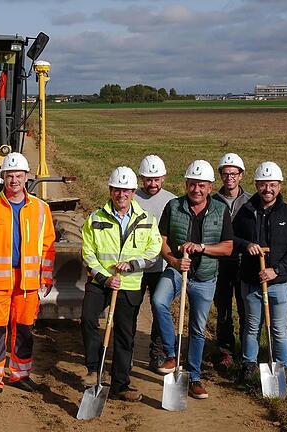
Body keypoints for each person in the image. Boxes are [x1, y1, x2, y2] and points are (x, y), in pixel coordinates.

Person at [0, 152, 56, 401]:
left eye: (19, 175)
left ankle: (20, 374)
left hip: (27, 282)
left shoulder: (40, 208)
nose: (14, 180)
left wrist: (46, 278)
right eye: (9, 175)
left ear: (27, 177)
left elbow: (48, 247)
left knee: (24, 330)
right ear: (2, 177)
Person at [152, 160, 234, 400]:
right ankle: (171, 354)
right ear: (186, 185)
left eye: (201, 185)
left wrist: (202, 247)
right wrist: (174, 262)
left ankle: (195, 377)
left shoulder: (220, 210)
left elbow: (228, 248)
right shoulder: (174, 206)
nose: (196, 189)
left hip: (205, 277)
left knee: (197, 329)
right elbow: (162, 241)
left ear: (210, 187)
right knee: (158, 301)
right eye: (192, 184)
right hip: (178, 270)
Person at [80, 166, 162, 402]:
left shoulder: (146, 219)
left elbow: (153, 250)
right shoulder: (96, 218)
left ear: (134, 192)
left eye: (126, 190)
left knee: (125, 336)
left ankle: (120, 385)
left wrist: (133, 265)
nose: (121, 195)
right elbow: (88, 253)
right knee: (87, 319)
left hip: (129, 285)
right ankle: (93, 369)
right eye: (117, 190)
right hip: (100, 281)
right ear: (110, 190)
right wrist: (105, 278)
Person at [232, 162, 287, 380]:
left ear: (280, 186)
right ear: (256, 185)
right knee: (252, 327)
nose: (268, 189)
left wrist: (277, 270)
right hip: (251, 281)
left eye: (272, 185)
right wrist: (246, 245)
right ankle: (249, 364)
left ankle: (284, 366)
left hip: (279, 284)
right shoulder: (245, 212)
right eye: (263, 185)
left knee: (279, 329)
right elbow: (231, 239)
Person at [133, 155, 177, 371]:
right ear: (141, 178)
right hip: (135, 267)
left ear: (163, 178)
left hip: (161, 267)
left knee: (159, 309)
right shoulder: (132, 198)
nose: (152, 184)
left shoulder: (173, 201)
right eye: (148, 179)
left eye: (156, 179)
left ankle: (157, 353)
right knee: (130, 308)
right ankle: (126, 349)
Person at [211, 153, 252, 370]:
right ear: (220, 176)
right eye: (225, 174)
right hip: (220, 262)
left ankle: (248, 350)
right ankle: (226, 350)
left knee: (246, 307)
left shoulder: (250, 201)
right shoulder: (212, 200)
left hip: (244, 262)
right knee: (223, 308)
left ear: (241, 175)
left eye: (234, 174)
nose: (229, 178)